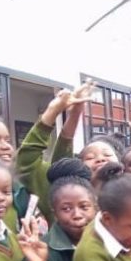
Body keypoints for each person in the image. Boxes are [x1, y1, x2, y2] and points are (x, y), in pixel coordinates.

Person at [15, 81, 92, 221]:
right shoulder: (57, 188)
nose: (77, 215)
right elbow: (29, 158)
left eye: (107, 155)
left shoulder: (121, 196)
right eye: (91, 157)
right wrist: (55, 111)